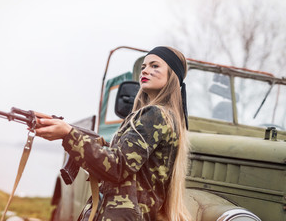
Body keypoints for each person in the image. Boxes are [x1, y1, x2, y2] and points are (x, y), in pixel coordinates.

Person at [35, 46, 191, 221]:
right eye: (144, 67)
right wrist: (70, 132)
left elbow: (117, 167)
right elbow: (125, 162)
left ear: (172, 76)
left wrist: (68, 134)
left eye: (155, 66)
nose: (146, 70)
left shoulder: (155, 115)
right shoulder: (166, 117)